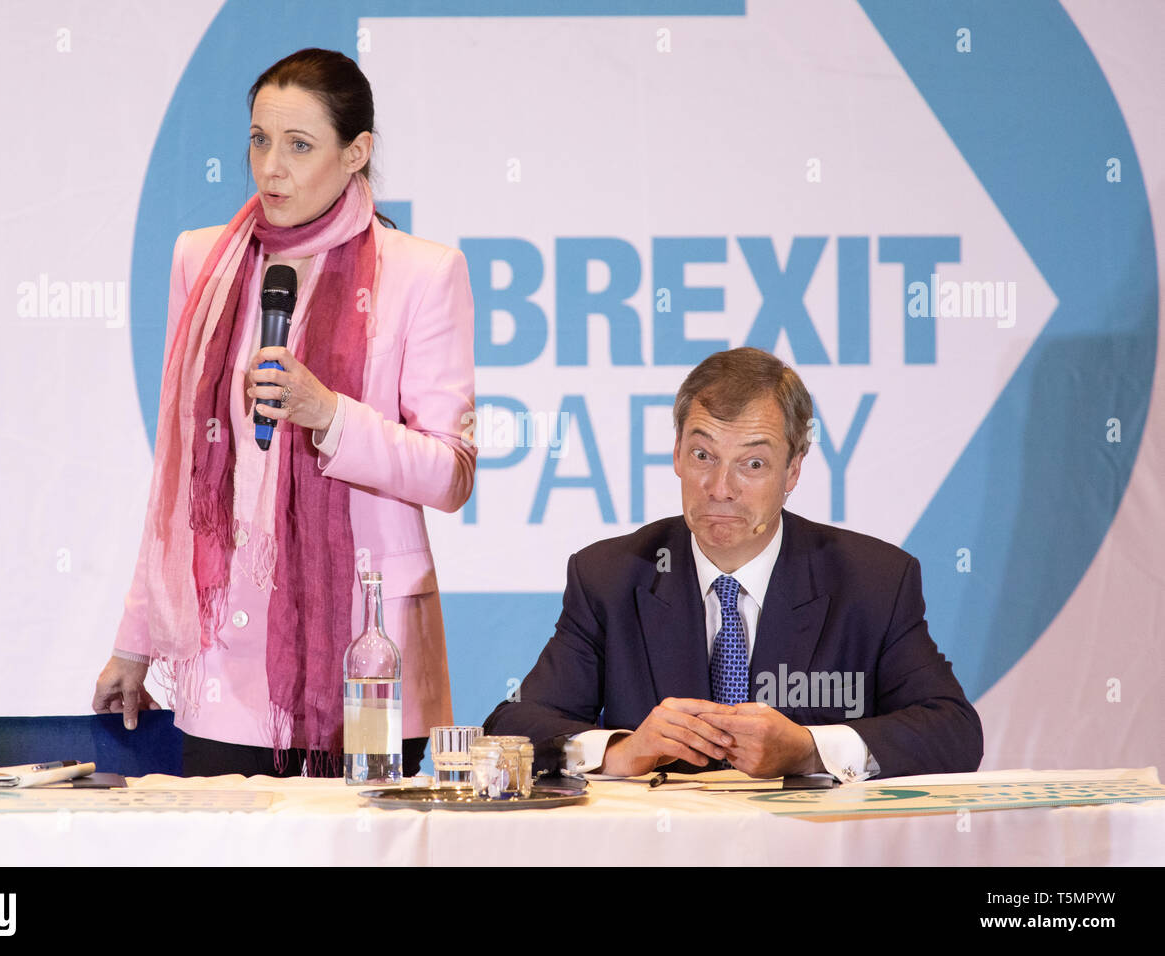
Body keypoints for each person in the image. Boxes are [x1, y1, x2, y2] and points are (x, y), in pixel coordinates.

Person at [92, 49, 475, 778]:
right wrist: (136, 638)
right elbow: (178, 478)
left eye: (299, 146)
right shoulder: (200, 263)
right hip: (227, 656)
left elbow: (450, 473)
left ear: (356, 153)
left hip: (368, 650)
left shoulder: (423, 273)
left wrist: (329, 414)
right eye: (260, 140)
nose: (271, 168)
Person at [484, 347, 982, 782]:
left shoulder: (872, 581)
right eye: (703, 454)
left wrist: (810, 750)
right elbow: (511, 726)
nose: (720, 487)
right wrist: (619, 751)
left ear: (793, 471)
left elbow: (954, 731)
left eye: (753, 464)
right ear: (676, 454)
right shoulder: (610, 576)